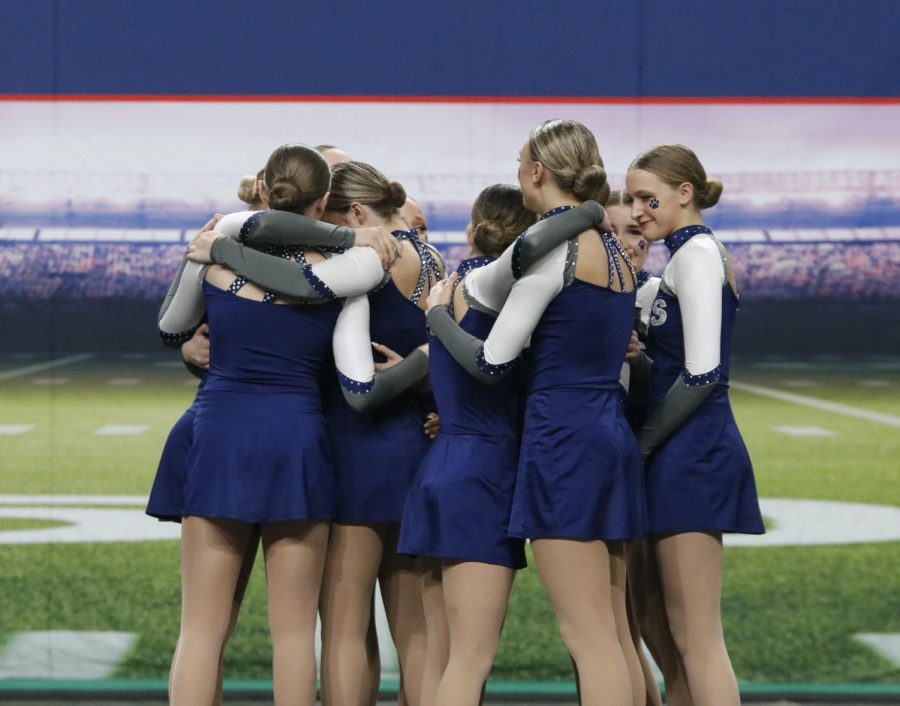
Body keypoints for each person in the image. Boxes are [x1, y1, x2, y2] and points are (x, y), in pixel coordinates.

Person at [158, 143, 393, 706]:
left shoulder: (214, 263)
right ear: (324, 203)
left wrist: (208, 254)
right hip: (295, 443)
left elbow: (171, 327)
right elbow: (356, 381)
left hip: (219, 437)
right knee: (292, 637)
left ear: (263, 191)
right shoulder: (344, 282)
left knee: (201, 632)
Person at [427, 119, 645, 706]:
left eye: (519, 160)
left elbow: (493, 363)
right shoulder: (618, 253)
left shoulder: (560, 251)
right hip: (607, 431)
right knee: (612, 634)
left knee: (588, 636)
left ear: (537, 171)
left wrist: (438, 316)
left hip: (563, 440)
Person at [626, 144, 765, 706]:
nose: (636, 209)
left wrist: (642, 444)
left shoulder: (700, 253)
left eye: (647, 196)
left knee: (697, 639)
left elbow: (705, 371)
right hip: (676, 450)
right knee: (671, 638)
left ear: (686, 193)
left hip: (694, 450)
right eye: (631, 198)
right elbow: (677, 365)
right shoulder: (679, 259)